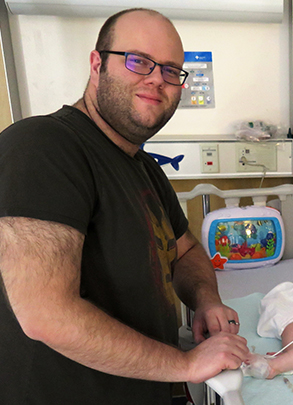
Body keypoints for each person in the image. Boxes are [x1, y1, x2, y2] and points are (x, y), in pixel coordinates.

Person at [0, 8, 250, 405]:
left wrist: (205, 300)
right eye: (138, 61)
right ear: (97, 63)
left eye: (171, 70)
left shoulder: (144, 169)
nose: (156, 79)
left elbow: (185, 251)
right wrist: (185, 366)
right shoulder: (43, 146)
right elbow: (47, 315)